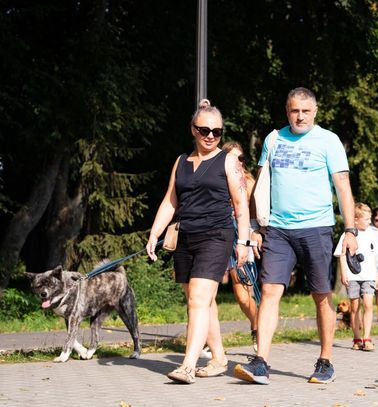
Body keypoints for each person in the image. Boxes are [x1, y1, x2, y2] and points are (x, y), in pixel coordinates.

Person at [233, 87, 358, 385]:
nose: (300, 116)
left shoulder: (328, 141)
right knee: (269, 292)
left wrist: (350, 230)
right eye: (294, 111)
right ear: (287, 111)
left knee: (321, 295)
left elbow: (343, 187)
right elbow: (260, 184)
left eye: (305, 111)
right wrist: (255, 226)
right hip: (278, 229)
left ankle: (325, 361)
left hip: (316, 228)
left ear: (315, 112)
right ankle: (261, 361)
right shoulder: (274, 139)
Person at [146, 99, 250, 384]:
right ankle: (219, 359)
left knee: (198, 299)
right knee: (203, 302)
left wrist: (244, 241)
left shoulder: (228, 160)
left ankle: (188, 365)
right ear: (193, 129)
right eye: (204, 130)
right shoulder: (181, 161)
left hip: (216, 235)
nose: (210, 136)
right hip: (185, 237)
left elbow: (241, 205)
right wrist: (155, 233)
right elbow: (170, 201)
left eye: (217, 132)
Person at [222, 141, 259, 350]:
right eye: (234, 158)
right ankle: (207, 340)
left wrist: (253, 237)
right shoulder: (218, 179)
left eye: (241, 158)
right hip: (219, 236)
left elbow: (254, 216)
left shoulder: (248, 182)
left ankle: (257, 326)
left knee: (244, 295)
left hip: (242, 237)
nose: (239, 162)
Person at [334, 203, 378, 351]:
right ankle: (357, 338)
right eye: (366, 219)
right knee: (354, 307)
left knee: (368, 305)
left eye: (370, 219)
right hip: (353, 276)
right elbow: (341, 254)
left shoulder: (371, 234)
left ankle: (367, 338)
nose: (369, 222)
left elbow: (374, 256)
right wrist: (344, 273)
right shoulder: (348, 235)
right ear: (356, 220)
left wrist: (376, 275)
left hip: (369, 276)